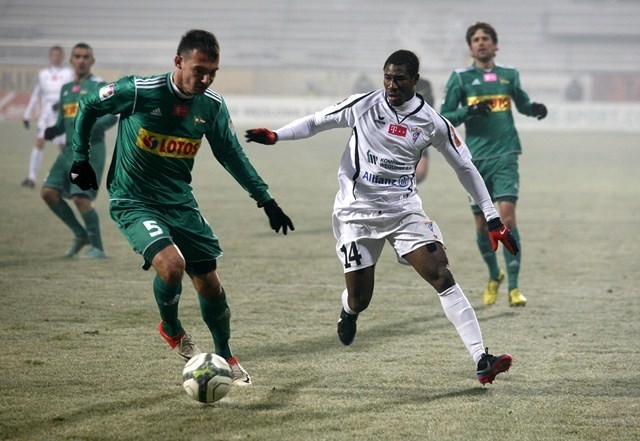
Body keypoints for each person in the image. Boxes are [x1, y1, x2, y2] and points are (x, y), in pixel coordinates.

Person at [246, 49, 516, 385]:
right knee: (361, 298)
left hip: (403, 211)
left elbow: (465, 166)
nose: (391, 85)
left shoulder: (431, 122)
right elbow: (317, 121)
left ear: (415, 81)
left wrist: (492, 218)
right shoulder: (364, 104)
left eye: (399, 79)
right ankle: (349, 311)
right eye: (387, 77)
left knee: (441, 274)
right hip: (355, 214)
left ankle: (481, 358)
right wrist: (277, 135)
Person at [69, 29, 294, 386]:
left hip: (180, 202)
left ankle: (226, 355)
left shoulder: (211, 106)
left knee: (209, 284)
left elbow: (231, 155)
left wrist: (265, 199)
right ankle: (172, 327)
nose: (205, 79)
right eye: (199, 69)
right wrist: (80, 158)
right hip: (134, 200)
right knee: (172, 266)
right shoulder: (139, 90)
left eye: (213, 73)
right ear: (179, 61)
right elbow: (89, 106)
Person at [440, 22, 547, 308]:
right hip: (473, 161)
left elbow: (522, 104)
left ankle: (514, 287)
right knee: (481, 225)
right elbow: (444, 115)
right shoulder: (460, 78)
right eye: (475, 39)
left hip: (506, 154)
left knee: (508, 219)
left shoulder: (509, 75)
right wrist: (468, 110)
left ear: (495, 45)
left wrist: (534, 109)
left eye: (486, 38)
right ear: (470, 47)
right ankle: (493, 275)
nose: (481, 43)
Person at [41, 43, 116, 259]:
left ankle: (98, 247)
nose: (81, 60)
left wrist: (93, 126)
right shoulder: (65, 89)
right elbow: (62, 119)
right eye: (77, 56)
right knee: (49, 193)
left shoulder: (99, 86)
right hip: (67, 151)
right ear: (71, 61)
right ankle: (80, 234)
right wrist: (54, 128)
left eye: (86, 57)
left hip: (91, 151)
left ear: (92, 61)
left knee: (81, 198)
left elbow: (112, 114)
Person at [21, 46, 74, 188]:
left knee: (63, 147)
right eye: (54, 55)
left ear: (63, 57)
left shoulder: (68, 73)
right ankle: (31, 177)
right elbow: (36, 94)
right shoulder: (43, 74)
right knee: (39, 142)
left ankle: (69, 178)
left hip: (62, 114)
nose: (56, 57)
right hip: (46, 114)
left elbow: (73, 91)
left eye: (59, 55)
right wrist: (27, 114)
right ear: (50, 57)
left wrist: (63, 103)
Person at [415, 78, 434, 183]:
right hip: (398, 131)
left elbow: (430, 106)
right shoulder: (395, 82)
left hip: (418, 131)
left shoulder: (424, 85)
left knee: (421, 173)